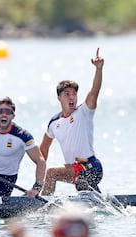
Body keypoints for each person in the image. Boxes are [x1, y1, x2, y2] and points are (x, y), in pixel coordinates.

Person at [40, 48, 104, 195]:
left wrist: (99, 69)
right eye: (67, 94)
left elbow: (95, 90)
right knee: (96, 203)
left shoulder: (84, 112)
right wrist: (39, 173)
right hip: (77, 172)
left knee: (52, 173)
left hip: (91, 167)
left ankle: (42, 208)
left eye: (74, 94)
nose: (72, 98)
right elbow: (43, 149)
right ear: (59, 98)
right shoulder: (54, 123)